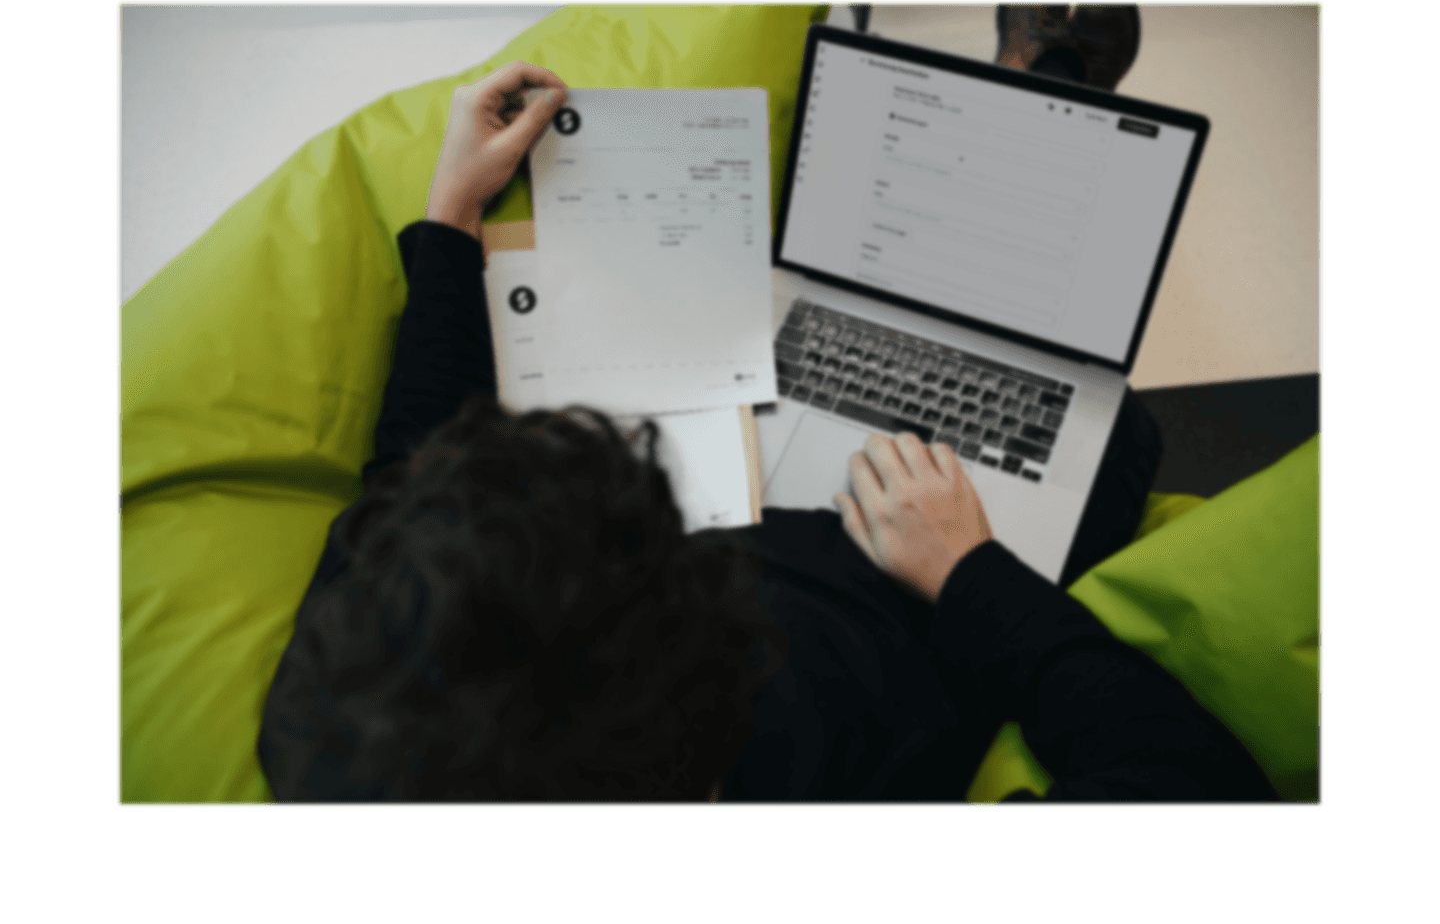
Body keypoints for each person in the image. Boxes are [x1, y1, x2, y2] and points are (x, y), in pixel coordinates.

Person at [258, 49, 1276, 803]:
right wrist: (969, 573)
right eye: (670, 556)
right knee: (1117, 436)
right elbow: (1195, 786)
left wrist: (450, 223)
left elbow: (406, 485)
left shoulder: (348, 710)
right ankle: (1048, 114)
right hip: (923, 577)